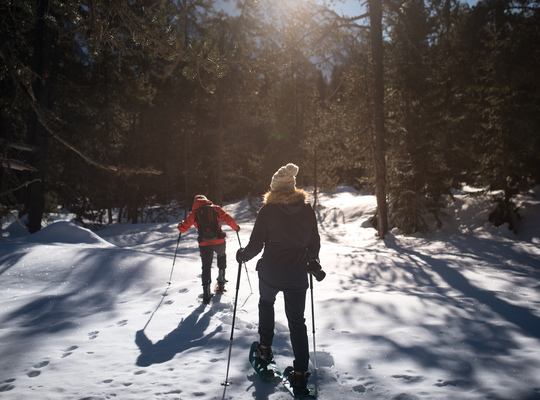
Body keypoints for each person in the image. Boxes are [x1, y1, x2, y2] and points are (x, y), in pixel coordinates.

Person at [236, 163, 322, 397]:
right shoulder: (306, 210)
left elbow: (255, 245)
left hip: (271, 272)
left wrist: (242, 255)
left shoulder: (268, 211)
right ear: (293, 187)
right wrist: (312, 259)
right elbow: (314, 242)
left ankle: (264, 351)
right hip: (297, 275)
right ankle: (301, 373)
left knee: (266, 304)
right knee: (297, 323)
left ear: (274, 188)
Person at [177, 195, 240, 304]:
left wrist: (180, 226)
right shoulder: (215, 208)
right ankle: (221, 283)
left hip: (204, 243)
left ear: (195, 202)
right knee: (221, 257)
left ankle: (206, 294)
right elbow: (227, 218)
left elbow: (183, 229)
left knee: (206, 267)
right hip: (219, 241)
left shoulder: (194, 213)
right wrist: (236, 227)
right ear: (206, 200)